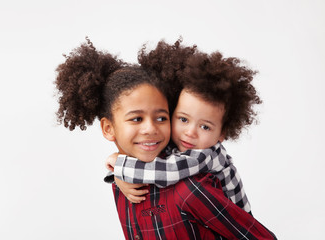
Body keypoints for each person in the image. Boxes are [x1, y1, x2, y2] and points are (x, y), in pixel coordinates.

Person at [55, 38, 277, 239]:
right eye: (136, 119)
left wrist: (120, 167)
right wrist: (119, 174)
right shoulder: (122, 187)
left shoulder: (192, 187)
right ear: (108, 128)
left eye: (161, 117)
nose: (151, 129)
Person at [105, 41, 255, 215]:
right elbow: (151, 158)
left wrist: (120, 168)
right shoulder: (175, 146)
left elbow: (167, 171)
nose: (190, 132)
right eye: (183, 119)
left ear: (222, 134)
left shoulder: (208, 156)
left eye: (205, 127)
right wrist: (119, 175)